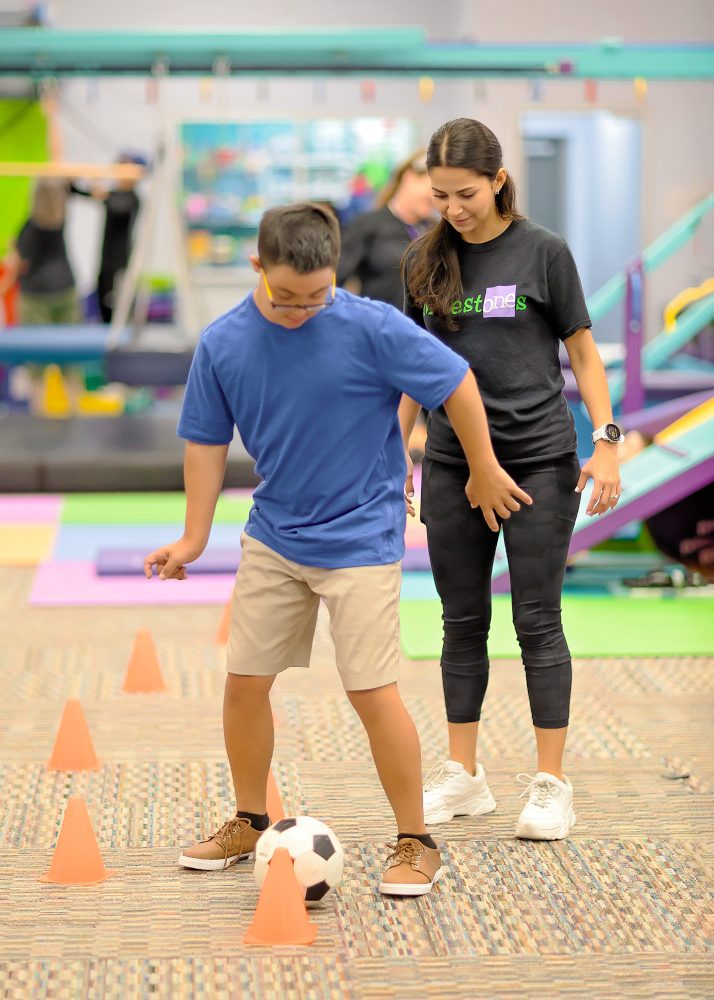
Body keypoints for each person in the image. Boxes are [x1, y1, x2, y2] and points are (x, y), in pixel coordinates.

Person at [144, 202, 530, 896]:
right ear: (259, 268)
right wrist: (193, 537)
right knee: (243, 684)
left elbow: (456, 382)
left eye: (317, 295)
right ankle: (250, 819)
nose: (302, 310)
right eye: (287, 297)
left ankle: (416, 838)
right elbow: (204, 443)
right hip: (276, 534)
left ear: (334, 274)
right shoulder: (224, 343)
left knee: (371, 692)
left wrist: (480, 465)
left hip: (361, 533)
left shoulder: (370, 326)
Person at [399, 119, 622, 840]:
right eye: (439, 196)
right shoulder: (424, 260)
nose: (452, 209)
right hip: (454, 465)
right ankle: (464, 777)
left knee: (537, 620)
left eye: (464, 194)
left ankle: (551, 784)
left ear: (498, 180)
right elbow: (410, 363)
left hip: (536, 462)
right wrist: (396, 445)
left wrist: (608, 442)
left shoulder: (544, 253)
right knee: (460, 621)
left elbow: (584, 356)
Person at [336, 152, 434, 309]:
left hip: (424, 330)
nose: (435, 199)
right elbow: (337, 280)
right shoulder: (369, 224)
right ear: (410, 177)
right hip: (380, 328)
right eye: (432, 189)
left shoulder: (435, 230)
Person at [72, 154, 143, 323]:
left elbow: (118, 206)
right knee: (102, 301)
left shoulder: (132, 198)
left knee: (117, 305)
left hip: (121, 263)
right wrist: (75, 178)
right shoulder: (111, 195)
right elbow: (78, 192)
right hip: (106, 261)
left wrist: (98, 186)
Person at [0, 177, 80, 325]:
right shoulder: (58, 224)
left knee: (38, 346)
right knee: (68, 344)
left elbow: (19, 266)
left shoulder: (31, 230)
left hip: (38, 295)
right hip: (64, 288)